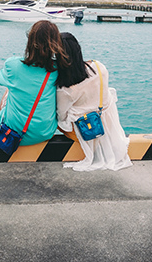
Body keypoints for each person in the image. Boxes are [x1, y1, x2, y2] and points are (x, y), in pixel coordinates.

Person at [55, 32, 132, 171]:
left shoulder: (65, 89)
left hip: (86, 129)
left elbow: (62, 117)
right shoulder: (99, 66)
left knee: (57, 119)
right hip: (107, 123)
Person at [0, 20, 65, 146]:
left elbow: (0, 80)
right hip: (45, 133)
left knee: (8, 90)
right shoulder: (57, 69)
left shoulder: (13, 64)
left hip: (14, 132)